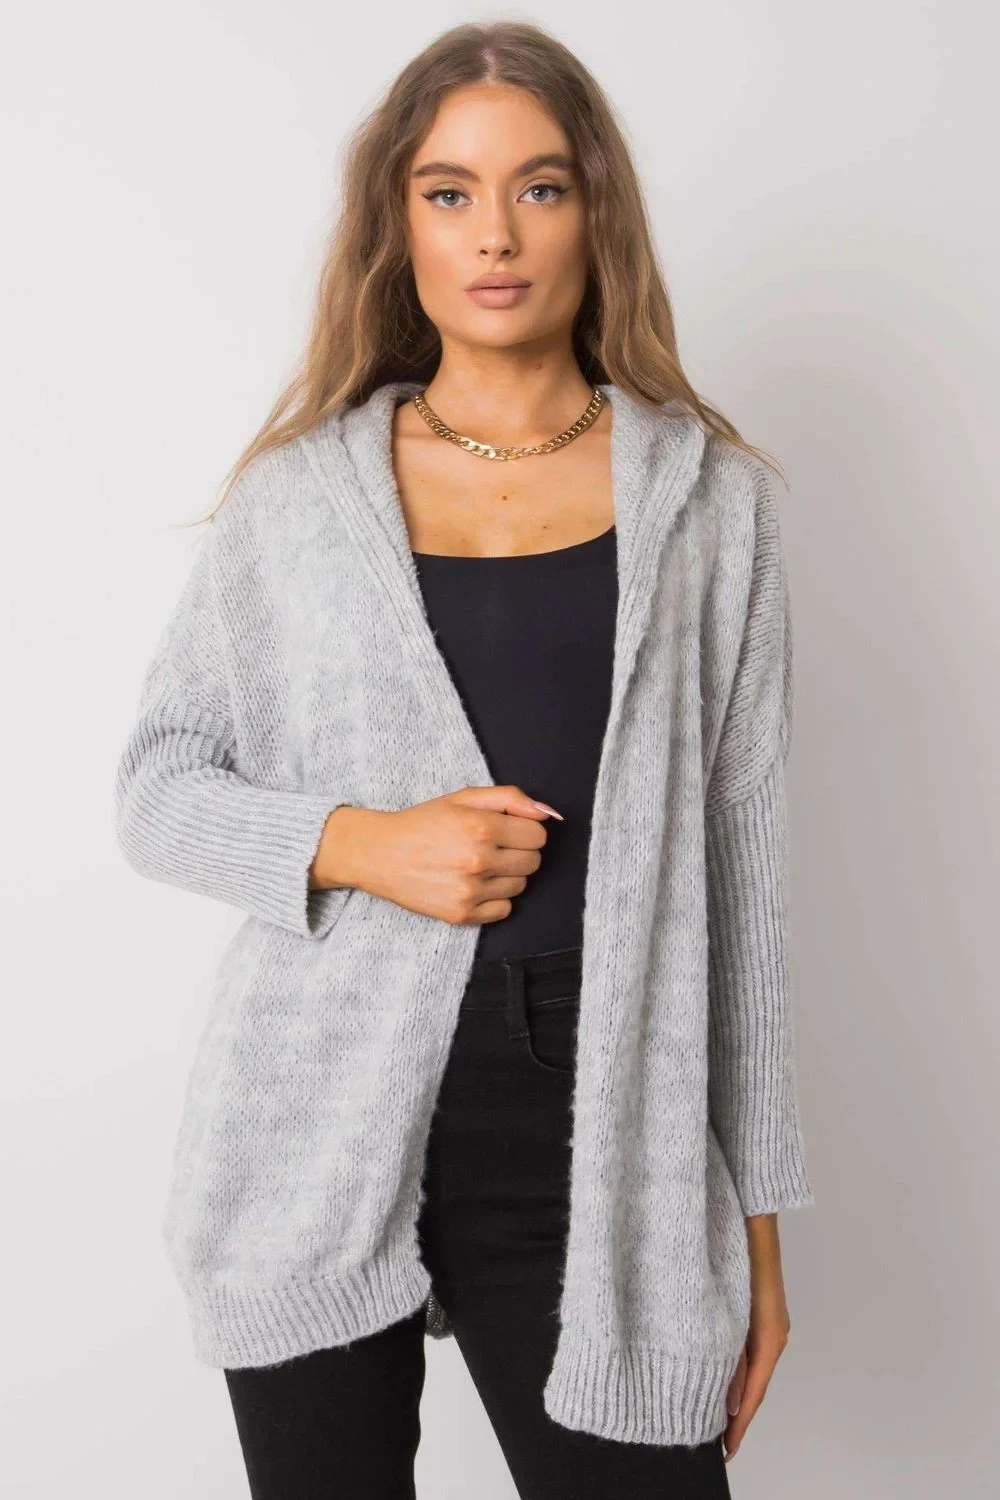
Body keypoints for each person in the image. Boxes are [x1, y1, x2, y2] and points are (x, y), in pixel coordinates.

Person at [113, 19, 815, 1500]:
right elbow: (157, 787)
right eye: (449, 192)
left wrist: (754, 1228)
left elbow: (741, 887)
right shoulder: (300, 502)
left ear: (596, 213)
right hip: (315, 1107)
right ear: (401, 226)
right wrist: (364, 843)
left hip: (597, 1115)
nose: (495, 233)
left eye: (538, 187)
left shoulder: (716, 506)